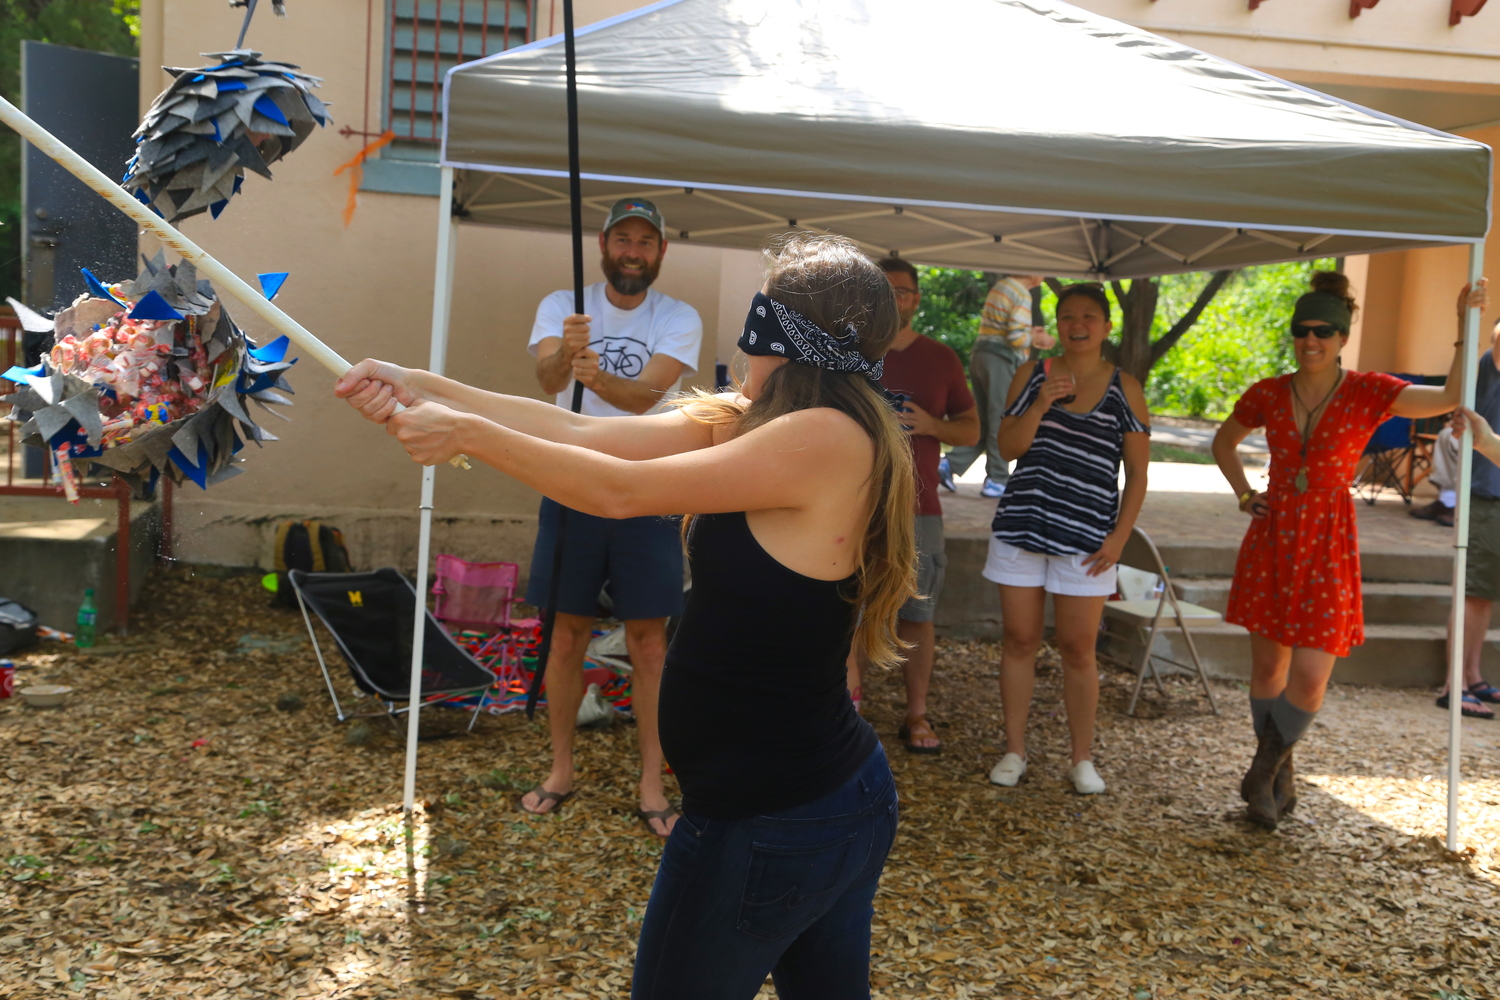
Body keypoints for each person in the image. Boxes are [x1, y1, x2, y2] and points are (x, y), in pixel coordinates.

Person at [334, 233, 911, 1000]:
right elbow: (583, 431)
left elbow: (618, 492)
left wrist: (464, 435)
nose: (743, 342)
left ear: (785, 336)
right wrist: (422, 386)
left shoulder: (825, 437)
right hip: (814, 800)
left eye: (758, 319)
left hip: (770, 816)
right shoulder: (766, 420)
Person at [1212, 271, 1488, 830]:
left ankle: (1261, 771)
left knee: (1312, 675)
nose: (1311, 341)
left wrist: (1463, 326)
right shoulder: (1268, 392)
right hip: (1273, 534)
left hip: (1329, 539)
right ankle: (1277, 778)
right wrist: (1244, 494)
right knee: (1268, 666)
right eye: (1302, 331)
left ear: (1342, 337)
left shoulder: (1368, 391)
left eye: (1323, 331)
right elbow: (1223, 442)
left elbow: (1449, 397)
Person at [525, 197, 703, 837]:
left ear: (661, 252)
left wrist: (592, 373)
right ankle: (560, 769)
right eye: (622, 239)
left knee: (649, 642)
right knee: (565, 634)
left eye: (645, 242)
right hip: (570, 482)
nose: (633, 251)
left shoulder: (678, 317)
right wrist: (565, 355)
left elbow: (646, 396)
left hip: (648, 487)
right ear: (603, 245)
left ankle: (652, 781)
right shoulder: (562, 305)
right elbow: (547, 382)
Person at [984, 283, 1151, 795]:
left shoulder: (1126, 387)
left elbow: (1137, 475)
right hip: (1022, 527)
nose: (1077, 325)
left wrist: (1119, 538)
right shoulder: (1031, 374)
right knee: (1019, 641)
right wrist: (1039, 405)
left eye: (1088, 317)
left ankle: (1082, 759)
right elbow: (1007, 449)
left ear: (1106, 326)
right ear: (1056, 325)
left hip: (1088, 537)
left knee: (1079, 649)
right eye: (1067, 317)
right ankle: (1014, 750)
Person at [845, 258, 979, 752]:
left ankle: (916, 715)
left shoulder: (941, 358)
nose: (891, 299)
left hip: (919, 508)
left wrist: (931, 425)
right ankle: (847, 716)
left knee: (917, 614)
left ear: (916, 299)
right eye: (880, 290)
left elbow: (972, 429)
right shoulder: (845, 350)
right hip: (851, 504)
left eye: (900, 291)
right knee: (846, 612)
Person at [941, 274, 1055, 498]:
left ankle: (950, 464)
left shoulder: (1002, 286)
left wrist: (1030, 333)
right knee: (1000, 419)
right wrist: (1036, 338)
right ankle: (997, 479)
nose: (1044, 275)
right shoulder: (1021, 293)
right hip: (1001, 359)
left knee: (984, 419)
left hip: (982, 354)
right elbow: (1016, 337)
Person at [1432, 403, 1500, 721]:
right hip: (1488, 493)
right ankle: (1454, 683)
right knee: (1473, 590)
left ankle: (1471, 675)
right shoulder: (1489, 374)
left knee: (1484, 592)